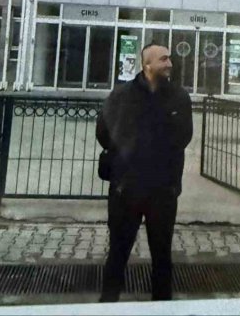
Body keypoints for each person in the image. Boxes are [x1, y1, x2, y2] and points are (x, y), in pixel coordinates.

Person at [95, 42, 193, 302]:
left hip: (163, 191)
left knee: (162, 256)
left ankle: (162, 306)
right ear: (147, 64)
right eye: (163, 59)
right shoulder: (121, 96)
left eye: (169, 58)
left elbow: (184, 136)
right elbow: (103, 133)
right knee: (118, 253)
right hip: (126, 190)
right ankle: (107, 305)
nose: (170, 63)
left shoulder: (179, 97)